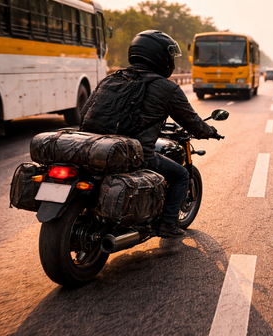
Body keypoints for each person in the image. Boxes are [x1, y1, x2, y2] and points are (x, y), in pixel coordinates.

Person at [80, 30, 218, 238]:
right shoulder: (167, 88)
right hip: (135, 155)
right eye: (170, 54)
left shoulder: (110, 79)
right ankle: (168, 224)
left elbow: (84, 115)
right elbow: (191, 121)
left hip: (93, 148)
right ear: (160, 56)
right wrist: (209, 131)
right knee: (181, 175)